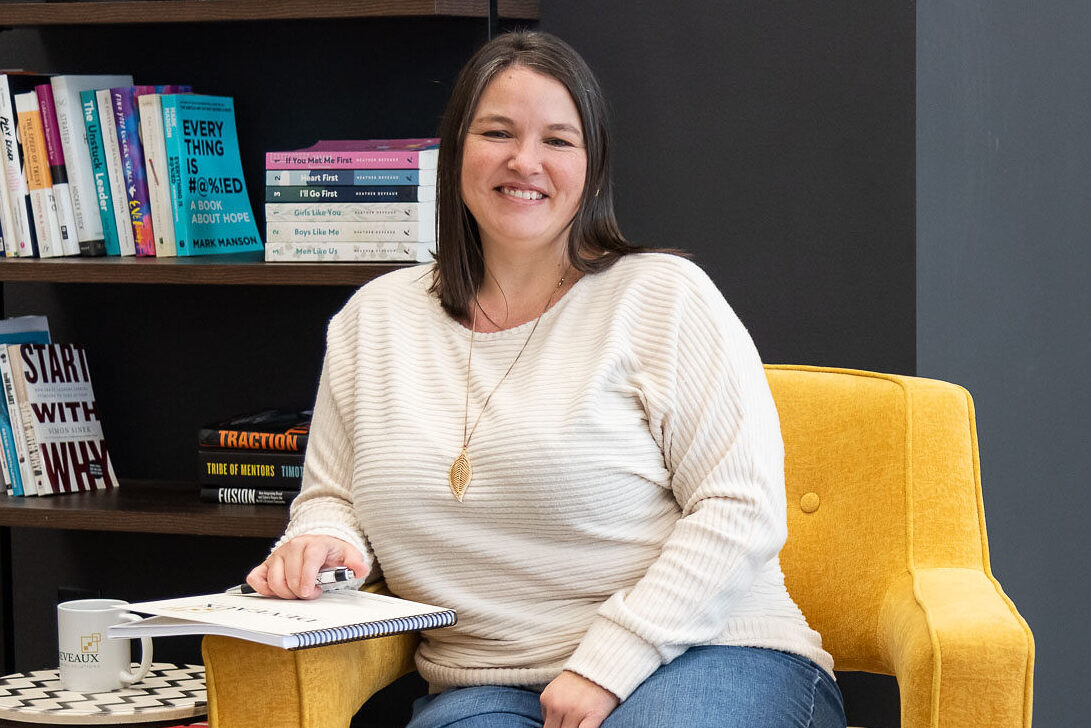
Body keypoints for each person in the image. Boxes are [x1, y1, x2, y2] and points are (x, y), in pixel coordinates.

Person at [247, 31, 846, 728]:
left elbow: (739, 510)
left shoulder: (661, 297)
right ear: (456, 154)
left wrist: (608, 664)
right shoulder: (372, 321)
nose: (523, 161)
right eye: (496, 132)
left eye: (557, 141)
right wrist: (324, 543)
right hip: (485, 685)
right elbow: (331, 497)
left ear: (592, 169)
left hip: (706, 655)